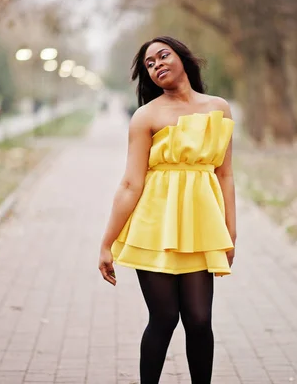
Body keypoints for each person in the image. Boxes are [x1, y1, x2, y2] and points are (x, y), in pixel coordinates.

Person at [98, 36, 237, 384]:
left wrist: (230, 231)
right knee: (163, 319)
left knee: (200, 320)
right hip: (154, 226)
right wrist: (107, 243)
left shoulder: (218, 107)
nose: (158, 64)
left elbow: (225, 174)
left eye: (164, 56)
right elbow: (131, 184)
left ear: (183, 59)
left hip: (200, 227)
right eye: (150, 63)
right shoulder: (146, 116)